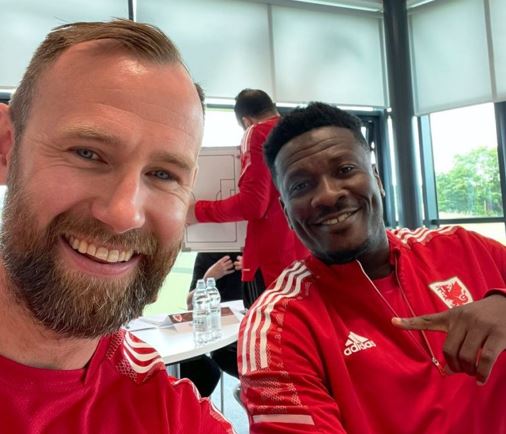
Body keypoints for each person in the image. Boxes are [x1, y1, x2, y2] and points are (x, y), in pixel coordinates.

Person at [0, 20, 234, 433]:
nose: (125, 213)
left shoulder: (173, 417)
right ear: (6, 148)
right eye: (87, 153)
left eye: (163, 175)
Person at [238, 102, 506, 433]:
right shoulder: (277, 326)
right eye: (301, 186)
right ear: (286, 213)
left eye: (344, 169)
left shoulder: (464, 249)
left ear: (377, 179)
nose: (328, 195)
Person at [188, 89, 308, 307]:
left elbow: (253, 205)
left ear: (246, 121)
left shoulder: (257, 132)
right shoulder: (300, 133)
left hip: (270, 259)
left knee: (268, 324)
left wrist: (196, 211)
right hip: (304, 254)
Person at [181, 252, 242, 396]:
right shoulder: (206, 254)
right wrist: (209, 277)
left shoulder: (252, 254)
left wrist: (253, 272)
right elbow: (190, 304)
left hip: (253, 333)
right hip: (222, 341)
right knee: (207, 371)